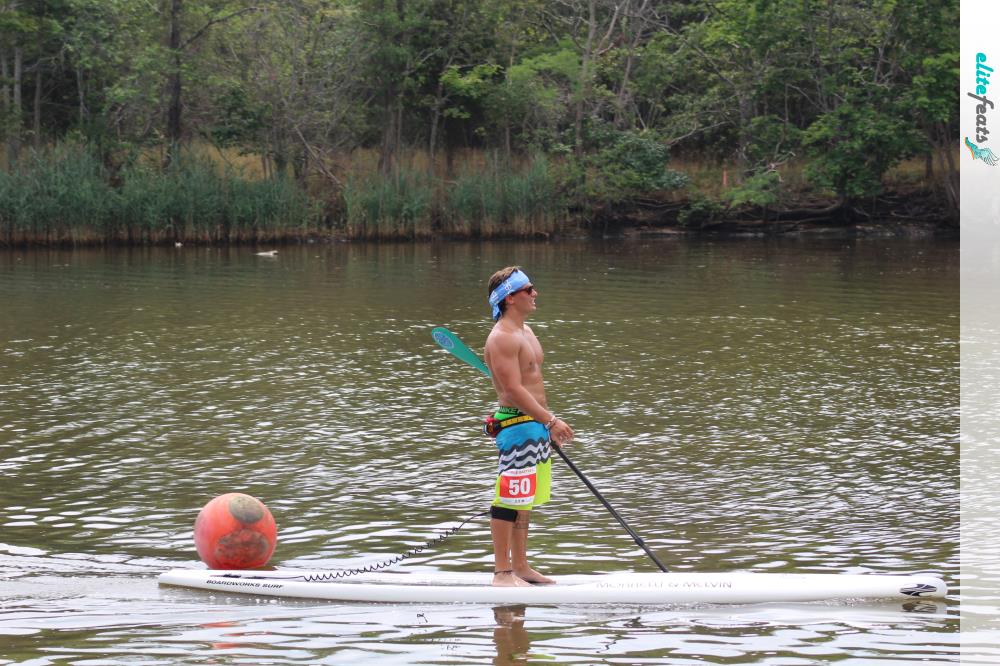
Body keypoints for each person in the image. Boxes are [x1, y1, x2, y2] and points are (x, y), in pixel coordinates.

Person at [483, 266, 574, 587]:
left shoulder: (526, 331)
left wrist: (546, 423)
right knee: (509, 498)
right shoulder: (502, 338)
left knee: (525, 498)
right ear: (509, 298)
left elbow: (531, 383)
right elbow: (512, 391)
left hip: (535, 424)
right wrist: (550, 420)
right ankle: (502, 572)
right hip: (518, 427)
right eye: (528, 289)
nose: (535, 293)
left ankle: (520, 566)